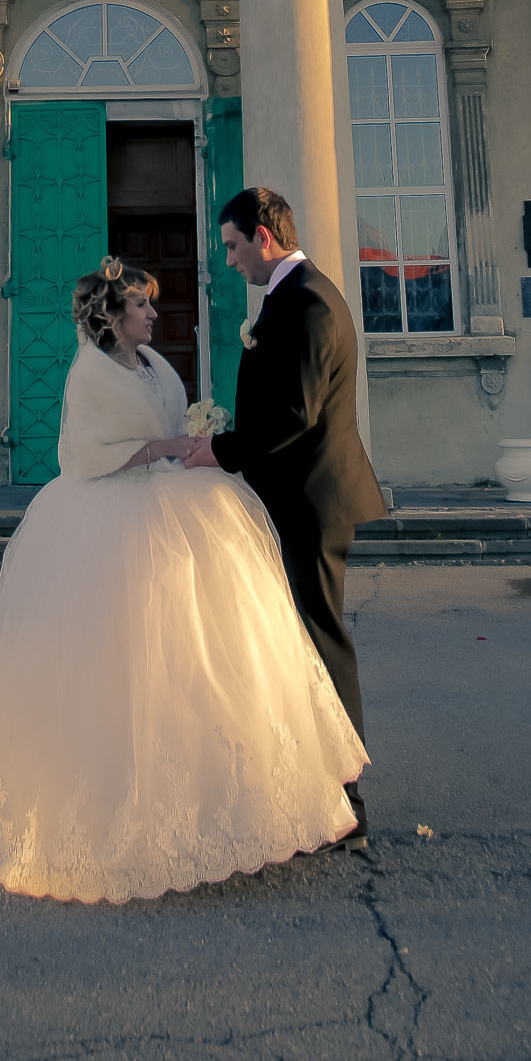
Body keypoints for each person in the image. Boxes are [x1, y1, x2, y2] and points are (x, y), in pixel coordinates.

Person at [0, 256, 367, 902]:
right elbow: (79, 455)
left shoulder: (155, 363)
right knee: (125, 659)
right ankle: (109, 788)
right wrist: (157, 449)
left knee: (203, 654)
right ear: (110, 320)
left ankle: (212, 784)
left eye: (149, 303)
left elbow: (170, 423)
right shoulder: (90, 373)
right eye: (140, 305)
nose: (152, 312)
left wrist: (192, 439)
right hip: (111, 520)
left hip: (175, 504)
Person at [185, 186, 381, 846]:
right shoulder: (292, 298)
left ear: (262, 237)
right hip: (298, 495)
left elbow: (296, 415)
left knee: (322, 639)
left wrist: (220, 449)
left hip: (311, 499)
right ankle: (318, 779)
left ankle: (346, 797)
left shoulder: (309, 304)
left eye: (234, 247)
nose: (231, 261)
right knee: (301, 637)